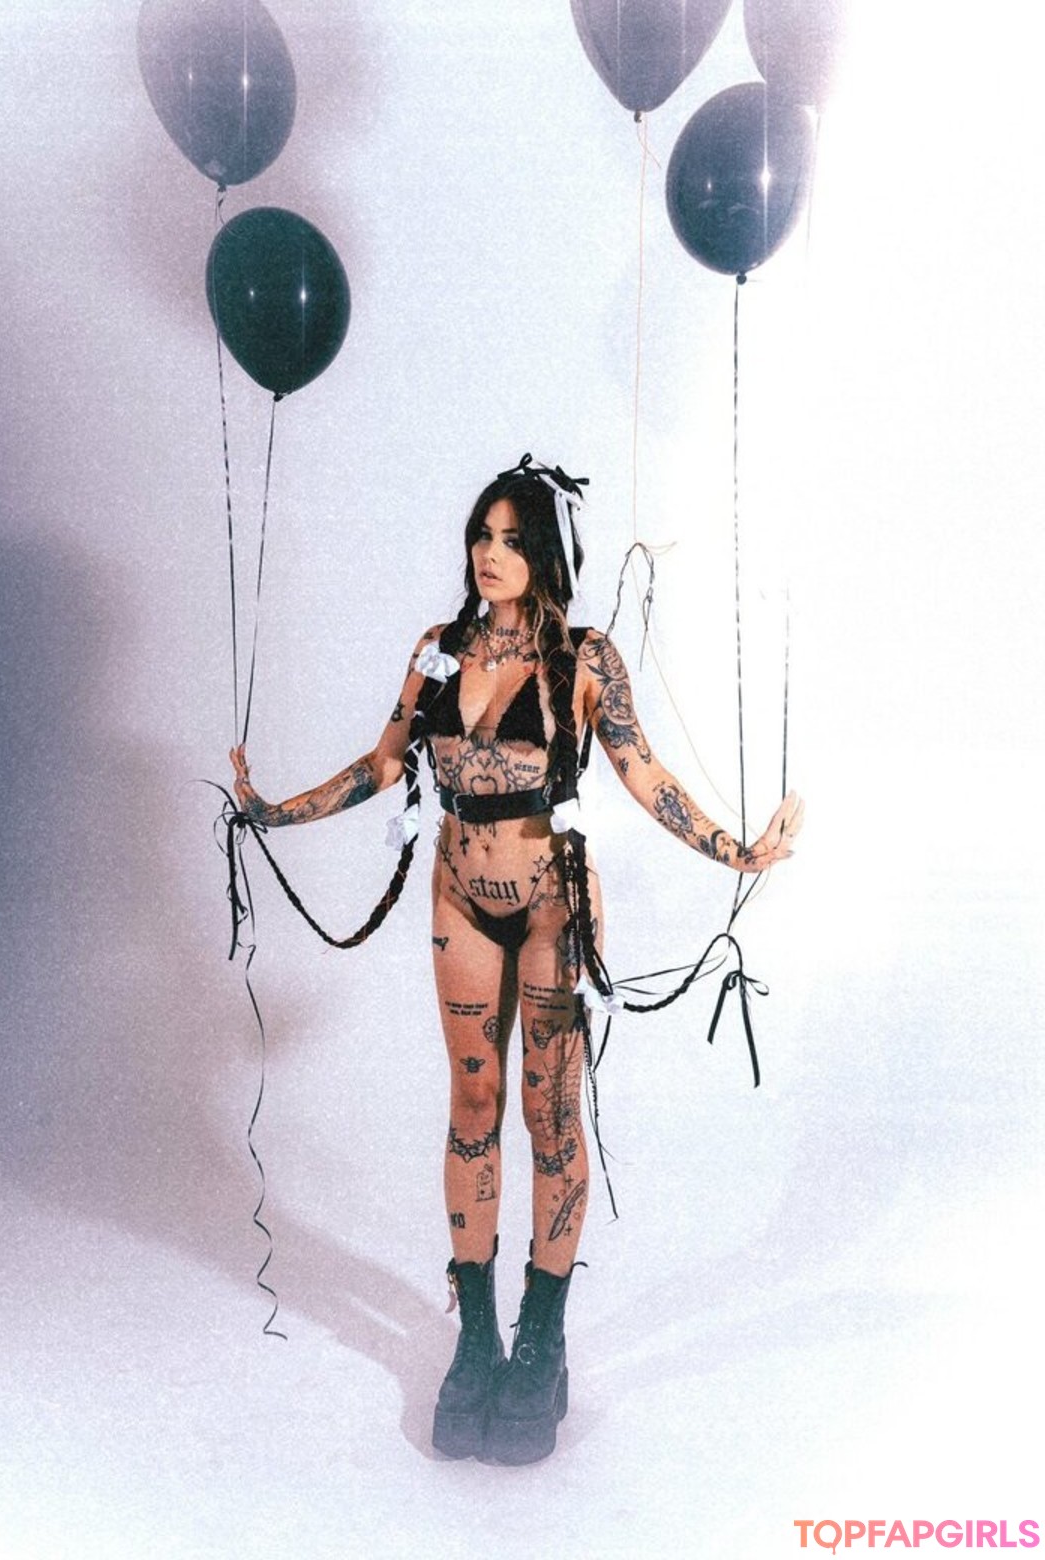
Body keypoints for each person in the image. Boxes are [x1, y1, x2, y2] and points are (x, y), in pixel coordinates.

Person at [229, 455, 803, 1465]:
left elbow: (643, 772)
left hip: (549, 906)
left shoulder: (585, 659)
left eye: (510, 538)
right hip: (459, 897)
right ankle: (476, 1338)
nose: (489, 555)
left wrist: (737, 848)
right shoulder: (439, 651)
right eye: (480, 536)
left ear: (545, 551)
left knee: (550, 1114)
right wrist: (274, 810)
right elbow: (384, 763)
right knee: (473, 1105)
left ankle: (542, 1336)